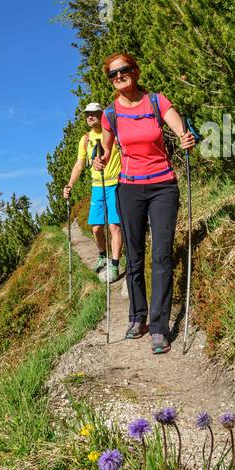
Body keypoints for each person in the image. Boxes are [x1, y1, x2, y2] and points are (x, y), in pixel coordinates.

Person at [100, 53, 195, 354]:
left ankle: (158, 327)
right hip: (129, 188)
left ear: (136, 71)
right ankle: (137, 317)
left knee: (162, 255)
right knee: (136, 255)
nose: (119, 77)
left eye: (123, 71)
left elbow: (179, 127)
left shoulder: (156, 101)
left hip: (163, 185)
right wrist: (101, 159)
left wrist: (185, 136)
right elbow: (106, 149)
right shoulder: (110, 113)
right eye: (113, 75)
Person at [63, 102, 122, 282]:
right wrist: (69, 185)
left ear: (101, 114)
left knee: (114, 226)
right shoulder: (85, 139)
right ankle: (103, 255)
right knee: (96, 228)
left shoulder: (114, 132)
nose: (90, 116)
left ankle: (114, 265)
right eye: (87, 114)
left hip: (116, 183)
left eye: (94, 113)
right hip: (97, 185)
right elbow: (80, 164)